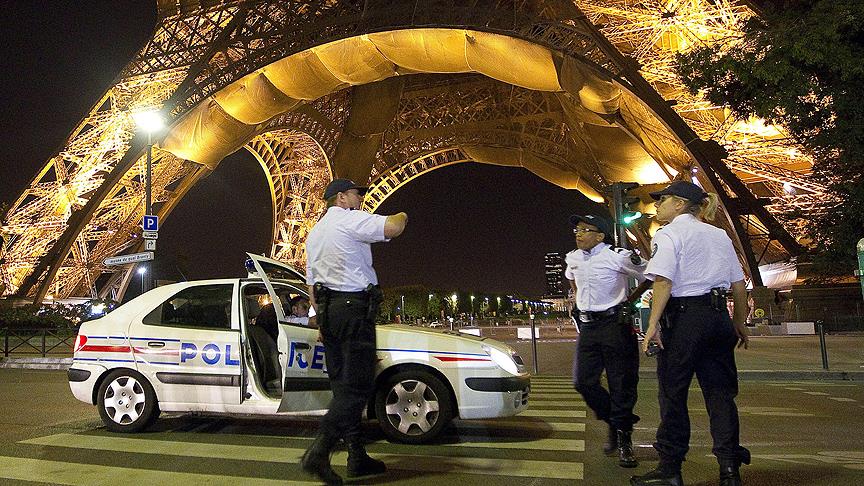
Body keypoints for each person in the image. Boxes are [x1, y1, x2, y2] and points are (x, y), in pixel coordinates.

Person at [630, 181, 750, 486]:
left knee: (673, 394)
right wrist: (737, 321)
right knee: (721, 395)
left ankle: (670, 469)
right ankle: (729, 470)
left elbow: (663, 283)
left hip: (685, 320)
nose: (657, 205)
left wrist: (651, 325)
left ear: (681, 203)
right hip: (718, 317)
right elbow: (738, 285)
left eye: (663, 199)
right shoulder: (719, 234)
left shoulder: (669, 234)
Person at [301, 178, 407, 485]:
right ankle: (318, 453)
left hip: (330, 312)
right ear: (341, 198)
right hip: (353, 311)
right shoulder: (349, 220)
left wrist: (320, 320)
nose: (361, 197)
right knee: (358, 387)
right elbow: (394, 227)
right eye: (357, 193)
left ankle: (357, 456)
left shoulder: (315, 233)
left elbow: (312, 283)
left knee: (342, 388)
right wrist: (404, 215)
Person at [566, 213, 647, 468]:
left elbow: (652, 274)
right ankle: (614, 420)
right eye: (576, 229)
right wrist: (580, 299)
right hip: (588, 328)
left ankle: (624, 439)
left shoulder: (617, 257)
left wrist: (631, 298)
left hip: (615, 326)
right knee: (583, 382)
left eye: (584, 230)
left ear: (600, 236)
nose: (578, 234)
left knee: (621, 383)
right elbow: (571, 277)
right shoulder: (573, 257)